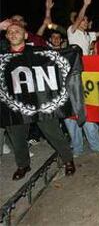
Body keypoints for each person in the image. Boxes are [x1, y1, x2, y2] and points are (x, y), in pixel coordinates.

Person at [2, 23, 75, 180]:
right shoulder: (2, 58)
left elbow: (59, 61)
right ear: (6, 36)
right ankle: (23, 165)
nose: (13, 34)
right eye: (10, 32)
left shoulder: (39, 53)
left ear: (26, 35)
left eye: (17, 31)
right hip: (14, 106)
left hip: (41, 102)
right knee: (17, 137)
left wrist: (73, 52)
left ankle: (68, 159)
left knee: (54, 133)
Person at [65, 0, 99, 157]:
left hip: (87, 76)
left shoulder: (89, 35)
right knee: (73, 112)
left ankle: (96, 145)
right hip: (73, 76)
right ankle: (77, 148)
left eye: (87, 20)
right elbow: (78, 19)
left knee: (89, 109)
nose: (86, 22)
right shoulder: (72, 32)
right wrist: (85, 5)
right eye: (84, 20)